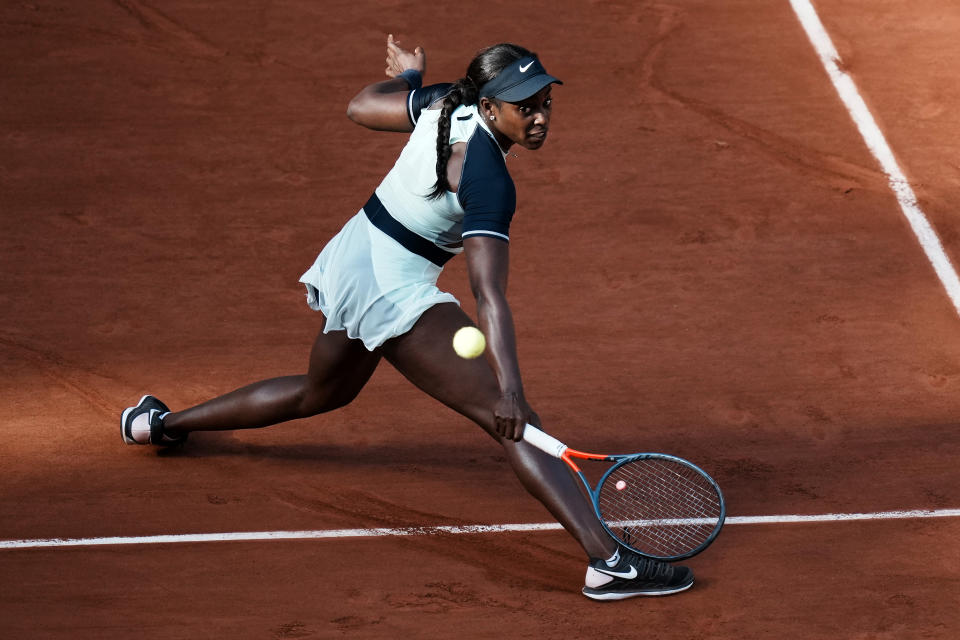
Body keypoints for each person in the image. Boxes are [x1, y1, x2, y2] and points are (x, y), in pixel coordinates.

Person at [120, 35, 693, 601]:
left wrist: (411, 81)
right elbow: (488, 294)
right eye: (527, 108)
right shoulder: (489, 177)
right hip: (392, 288)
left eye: (545, 103)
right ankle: (609, 563)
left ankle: (159, 425)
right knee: (510, 417)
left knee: (320, 394)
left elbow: (360, 106)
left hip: (354, 257)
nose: (540, 118)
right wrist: (512, 390)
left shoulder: (449, 100)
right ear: (491, 108)